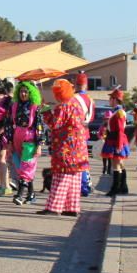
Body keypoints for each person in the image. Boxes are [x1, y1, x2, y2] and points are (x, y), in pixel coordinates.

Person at [38, 79, 89, 216]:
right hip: (79, 149)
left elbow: (55, 124)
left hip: (66, 148)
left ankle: (54, 207)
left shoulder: (63, 107)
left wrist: (46, 111)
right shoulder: (76, 104)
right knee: (74, 179)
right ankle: (71, 208)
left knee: (61, 178)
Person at [10, 80, 42, 205]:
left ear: (31, 93)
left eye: (26, 91)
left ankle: (19, 194)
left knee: (26, 166)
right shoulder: (14, 106)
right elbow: (9, 123)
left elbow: (40, 127)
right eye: (21, 91)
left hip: (30, 139)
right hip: (16, 137)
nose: (23, 94)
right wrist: (8, 142)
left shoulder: (35, 108)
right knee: (20, 167)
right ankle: (31, 194)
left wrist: (39, 145)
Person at [102, 87, 130, 196]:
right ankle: (123, 187)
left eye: (110, 98)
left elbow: (119, 129)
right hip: (115, 139)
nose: (109, 101)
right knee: (120, 164)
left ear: (115, 99)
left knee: (116, 165)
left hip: (116, 140)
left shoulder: (119, 112)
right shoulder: (118, 111)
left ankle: (115, 188)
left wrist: (118, 145)